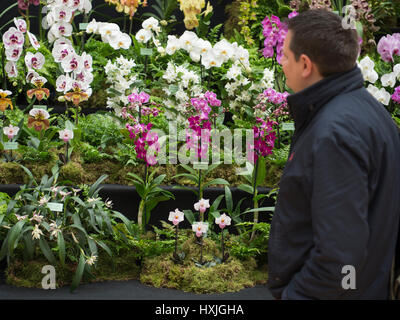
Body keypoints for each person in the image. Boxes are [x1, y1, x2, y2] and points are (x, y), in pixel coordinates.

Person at [267, 9, 400, 300]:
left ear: (305, 65)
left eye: (285, 55)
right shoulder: (368, 110)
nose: (281, 62)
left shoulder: (334, 134)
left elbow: (341, 257)